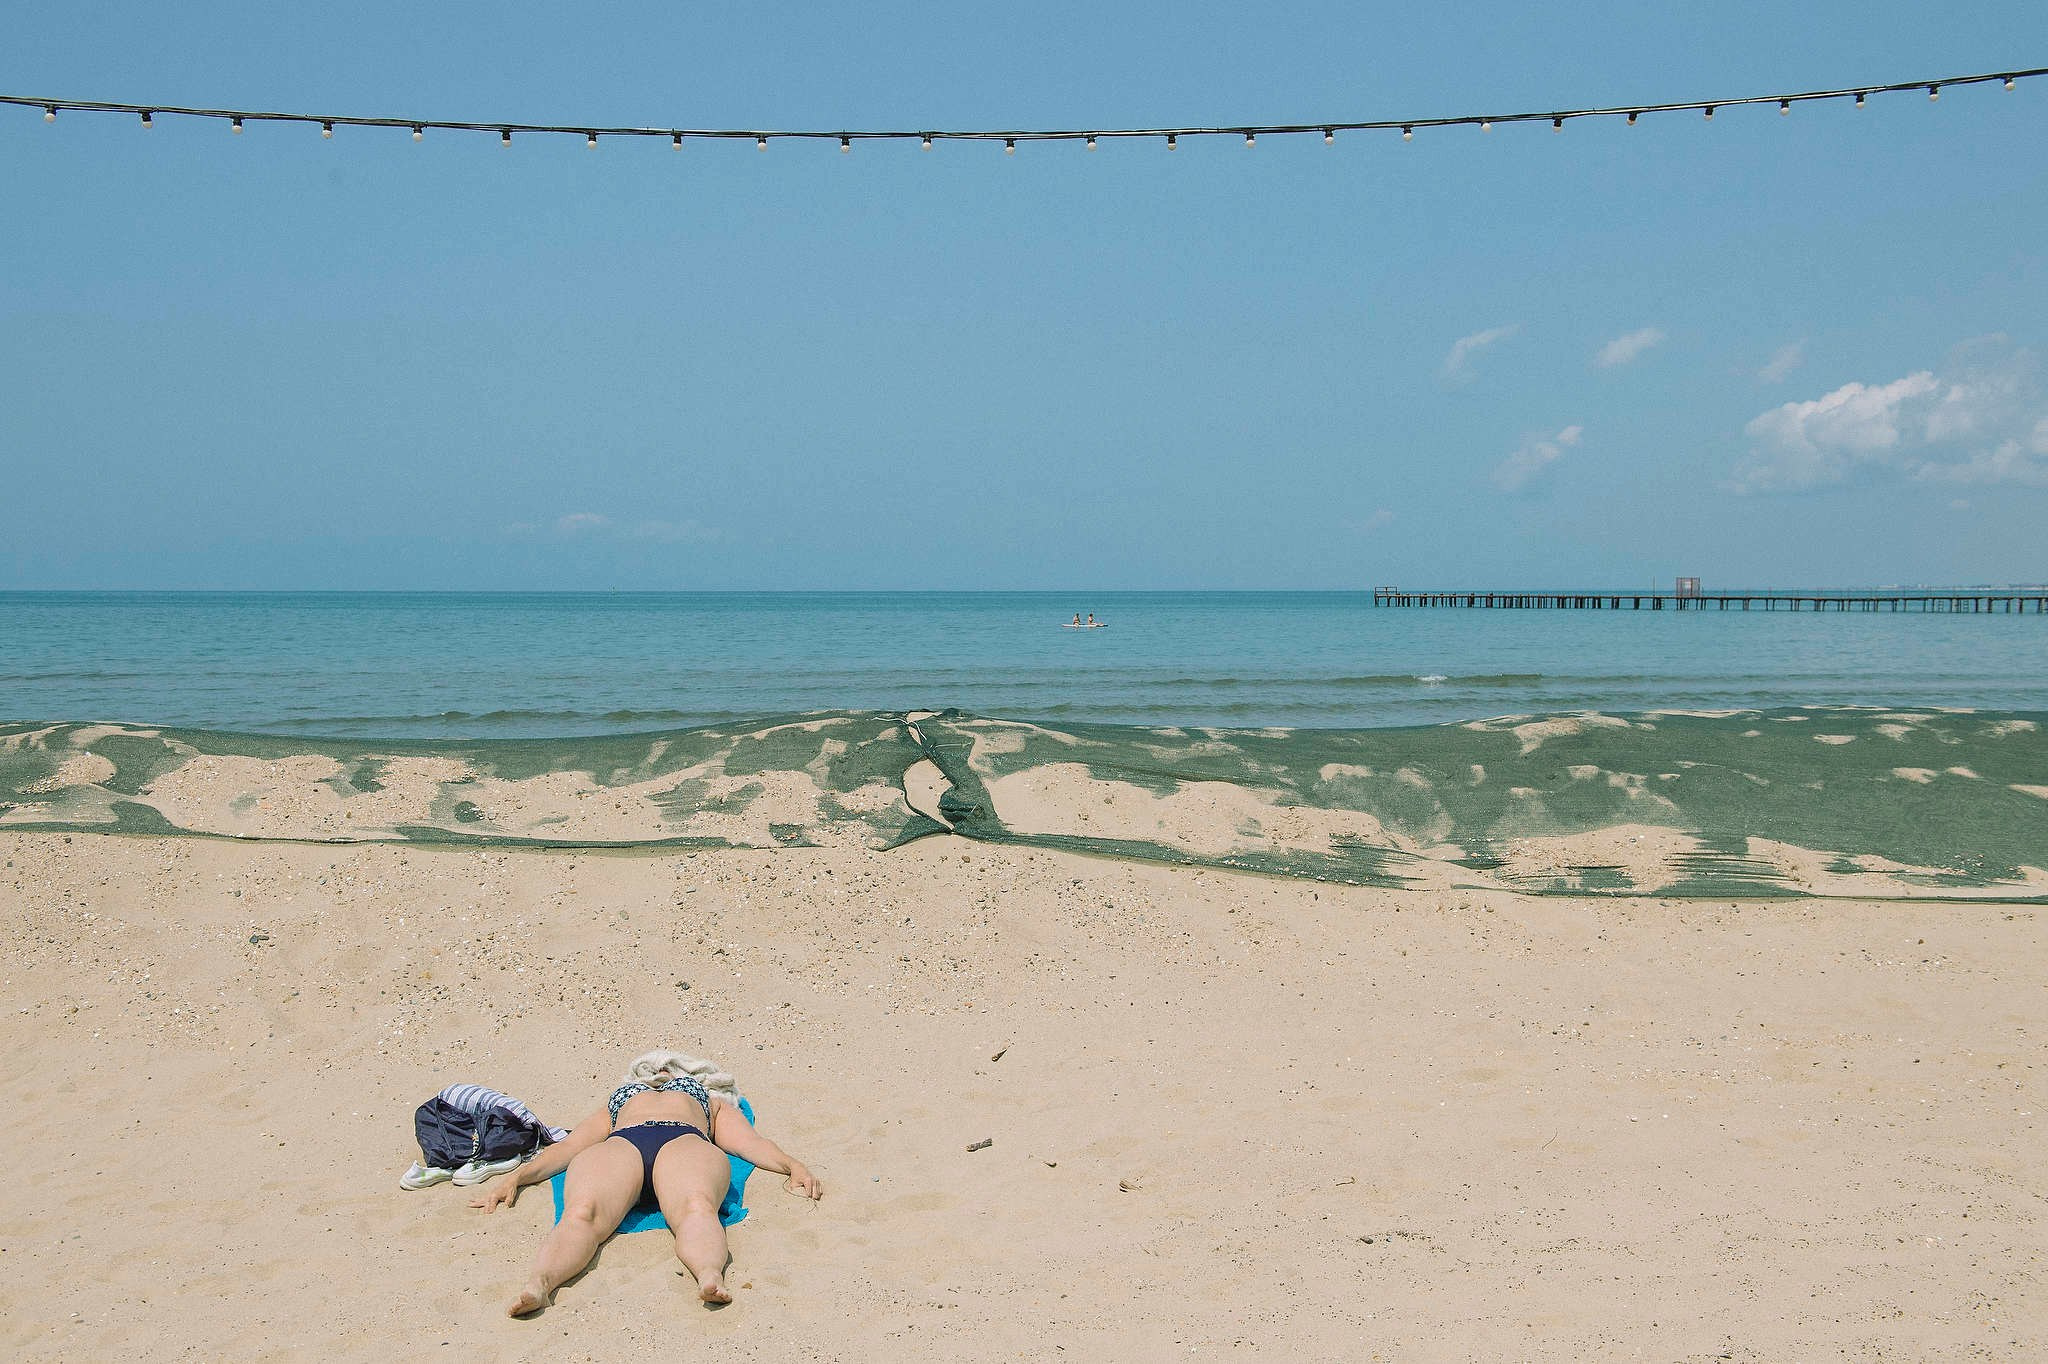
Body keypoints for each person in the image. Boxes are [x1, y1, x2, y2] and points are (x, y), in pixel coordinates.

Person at [471, 1049, 823, 1315]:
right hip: (623, 1140)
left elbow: (748, 1143)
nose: (661, 1070)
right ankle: (540, 1284)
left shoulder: (710, 1101)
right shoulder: (617, 1103)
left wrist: (791, 1165)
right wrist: (516, 1179)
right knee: (581, 1211)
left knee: (697, 1206)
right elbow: (570, 1147)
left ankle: (709, 1275)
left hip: (683, 1138)